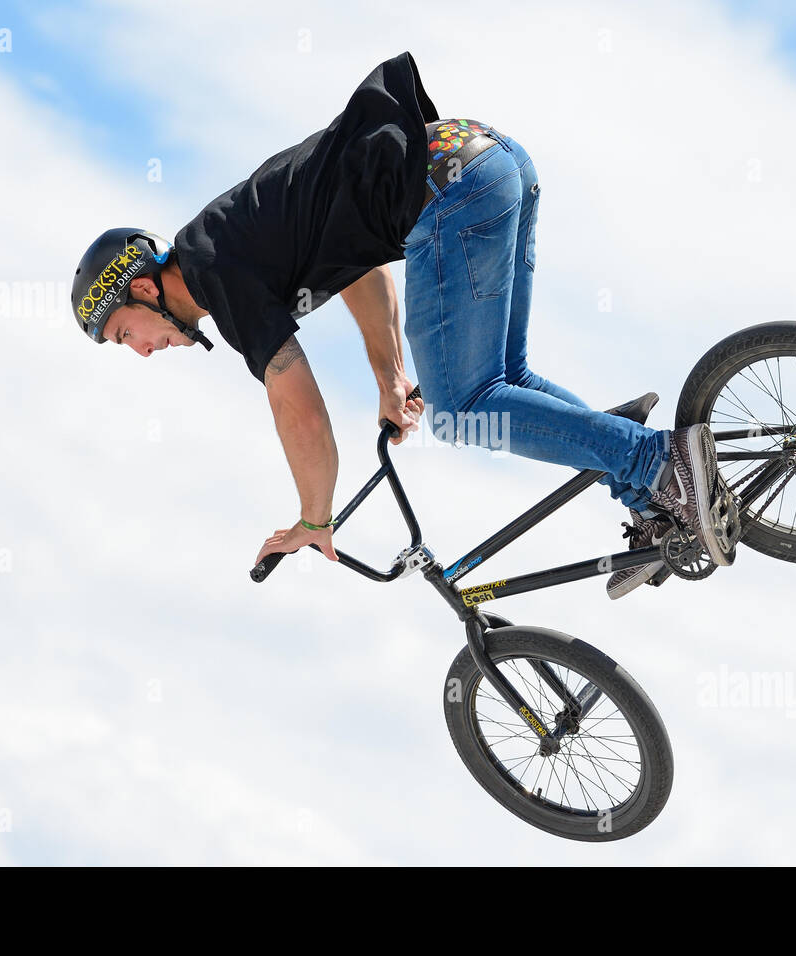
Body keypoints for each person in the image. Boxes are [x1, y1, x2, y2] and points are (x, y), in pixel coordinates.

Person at [69, 52, 733, 600]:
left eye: (124, 334)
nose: (142, 353)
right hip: (487, 161)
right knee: (505, 383)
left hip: (453, 191)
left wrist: (314, 518)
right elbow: (361, 270)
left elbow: (298, 409)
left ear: (146, 289)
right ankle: (653, 494)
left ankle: (659, 462)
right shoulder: (237, 241)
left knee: (463, 411)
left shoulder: (217, 273)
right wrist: (389, 378)